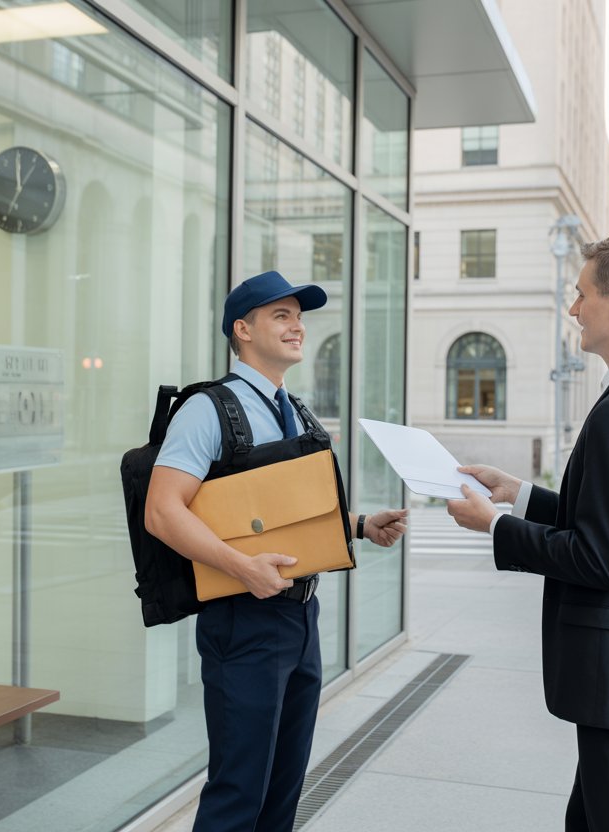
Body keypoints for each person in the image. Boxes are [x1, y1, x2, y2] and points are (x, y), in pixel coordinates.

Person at [447, 232, 609, 832]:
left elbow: (599, 558)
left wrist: (495, 526)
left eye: (582, 293)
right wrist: (519, 493)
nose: (574, 308)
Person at [145, 270, 408, 832]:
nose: (297, 328)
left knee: (284, 787)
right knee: (239, 791)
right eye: (280, 316)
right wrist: (242, 567)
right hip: (243, 619)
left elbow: (282, 517)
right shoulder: (208, 409)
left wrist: (361, 525)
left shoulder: (295, 408)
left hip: (299, 617)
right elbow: (162, 511)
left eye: (299, 316)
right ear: (242, 330)